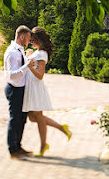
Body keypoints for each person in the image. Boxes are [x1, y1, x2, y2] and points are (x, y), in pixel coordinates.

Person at [23, 26, 72, 156]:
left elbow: (40, 75)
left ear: (39, 40)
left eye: (33, 40)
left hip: (35, 88)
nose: (31, 42)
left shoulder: (42, 54)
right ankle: (60, 129)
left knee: (38, 117)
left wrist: (30, 66)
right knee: (34, 118)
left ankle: (45, 145)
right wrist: (28, 55)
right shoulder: (37, 51)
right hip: (31, 87)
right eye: (31, 40)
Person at [4, 25, 35, 159]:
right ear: (21, 36)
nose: (29, 41)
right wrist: (26, 67)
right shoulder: (12, 52)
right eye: (28, 38)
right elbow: (11, 75)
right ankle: (12, 150)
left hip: (21, 89)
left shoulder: (19, 50)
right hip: (14, 89)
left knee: (21, 119)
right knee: (14, 120)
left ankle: (18, 146)